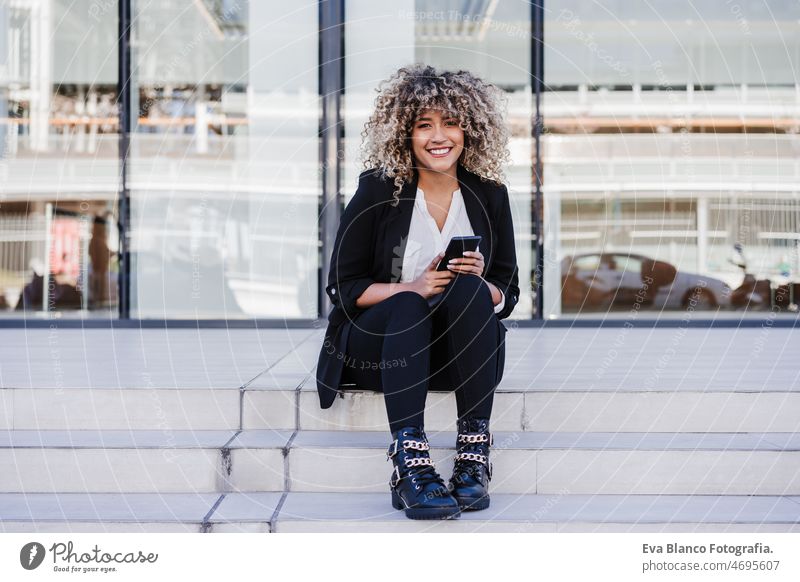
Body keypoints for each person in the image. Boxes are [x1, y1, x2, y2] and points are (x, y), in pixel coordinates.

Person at [315, 63, 520, 520]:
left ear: (470, 131)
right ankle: (410, 465)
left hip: (452, 358)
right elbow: (343, 289)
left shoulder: (489, 195)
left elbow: (509, 293)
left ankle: (473, 455)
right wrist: (412, 286)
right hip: (380, 351)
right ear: (404, 135)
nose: (438, 136)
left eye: (450, 122)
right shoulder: (377, 191)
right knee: (408, 302)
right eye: (424, 125)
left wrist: (482, 282)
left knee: (469, 290)